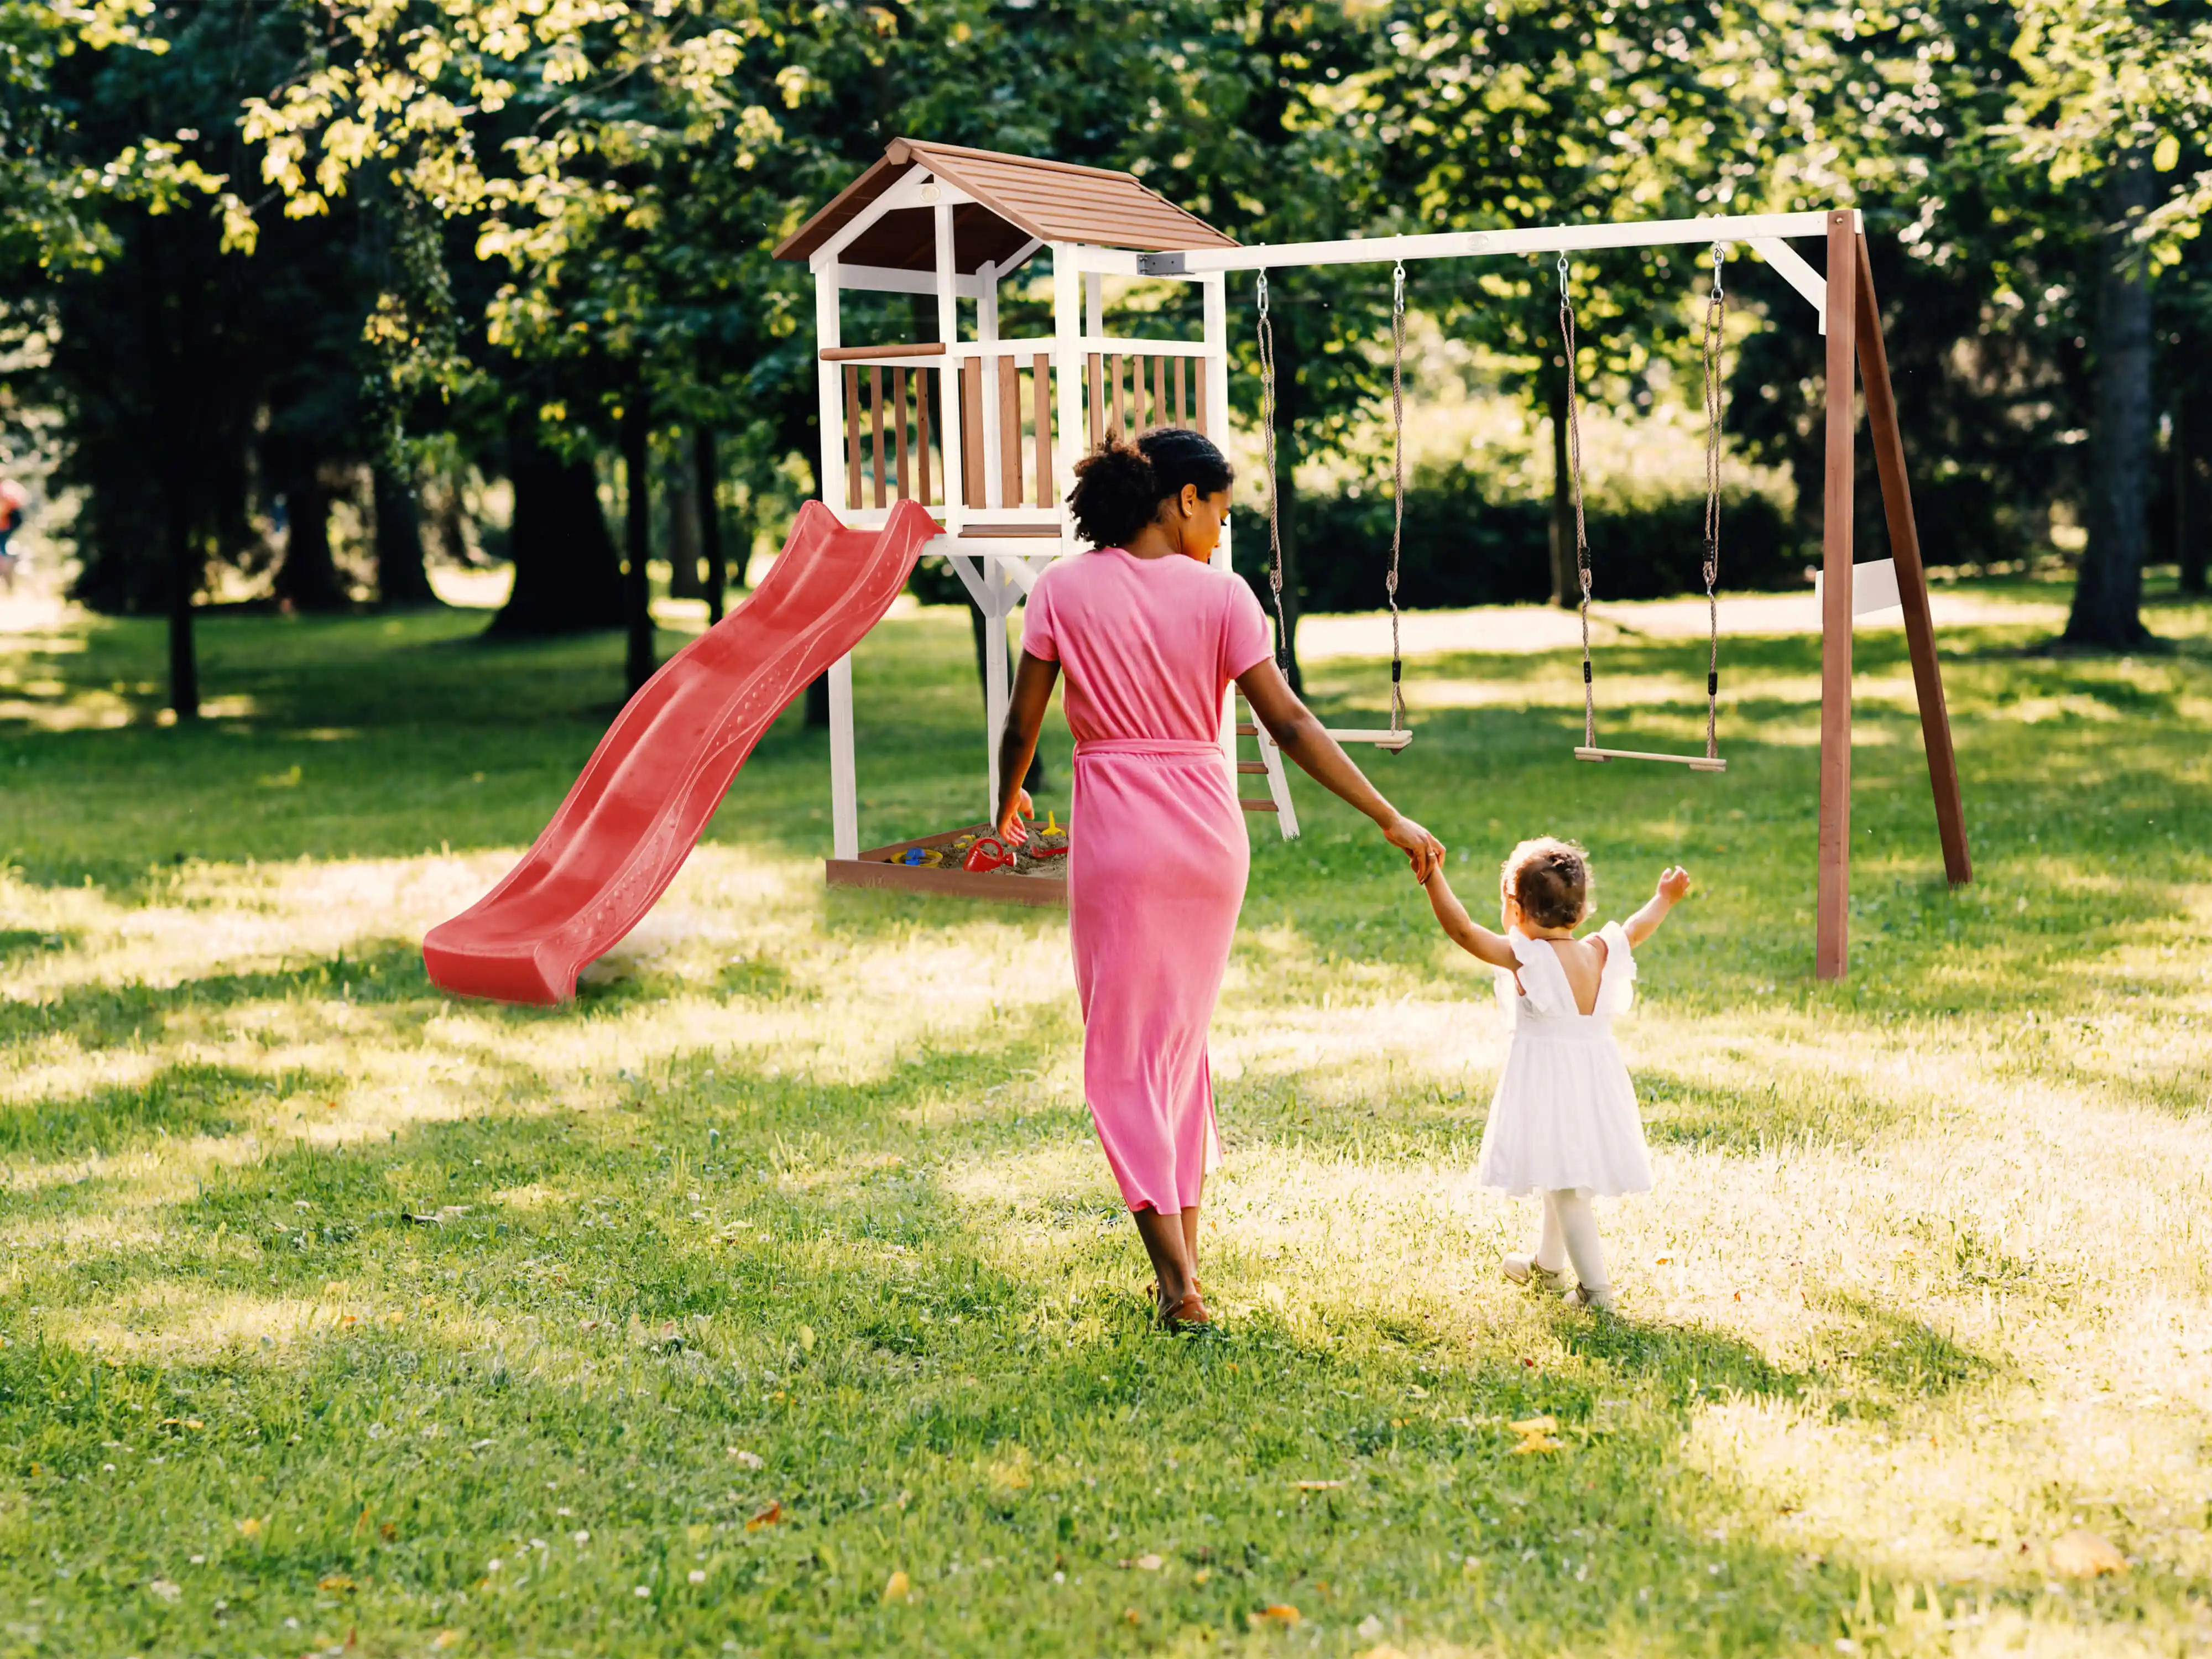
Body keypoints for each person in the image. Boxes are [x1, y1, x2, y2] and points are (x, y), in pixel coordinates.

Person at [993, 427, 1444, 1332]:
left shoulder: (1061, 591)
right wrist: (1386, 814)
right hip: (1207, 840)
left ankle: (1177, 1285)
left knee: (1123, 1057)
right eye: (1222, 512)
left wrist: (1002, 808)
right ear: (1183, 499)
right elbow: (1291, 725)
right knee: (1176, 1051)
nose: (1222, 532)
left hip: (1120, 840)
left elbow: (1022, 724)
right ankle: (1186, 1268)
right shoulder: (1224, 598)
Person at [1418, 838, 1691, 1311]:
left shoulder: (1527, 958)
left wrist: (1431, 876)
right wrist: (1663, 899)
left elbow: (1462, 931)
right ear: (1581, 911)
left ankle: (1596, 1291)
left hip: (1550, 1085)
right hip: (1594, 1082)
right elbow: (1636, 927)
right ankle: (1547, 1267)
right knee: (1557, 1171)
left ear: (1516, 909)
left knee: (1566, 1189)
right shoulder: (1600, 951)